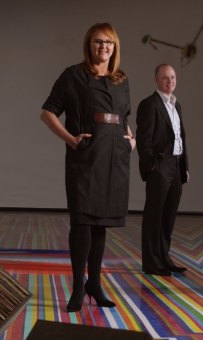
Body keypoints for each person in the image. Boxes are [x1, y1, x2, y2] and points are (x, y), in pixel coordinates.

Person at [40, 23, 136, 312]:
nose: (103, 46)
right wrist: (70, 139)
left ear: (115, 47)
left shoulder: (122, 80)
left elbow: (124, 116)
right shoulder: (74, 75)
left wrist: (131, 140)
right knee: (82, 222)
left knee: (101, 224)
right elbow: (47, 113)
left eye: (109, 42)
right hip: (85, 157)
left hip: (115, 158)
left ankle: (95, 283)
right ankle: (79, 287)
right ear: (89, 44)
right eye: (97, 42)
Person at [136, 64, 189, 276]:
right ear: (156, 80)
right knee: (154, 216)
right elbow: (144, 140)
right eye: (165, 78)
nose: (170, 81)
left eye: (173, 77)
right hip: (160, 165)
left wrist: (184, 166)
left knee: (168, 216)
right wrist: (152, 167)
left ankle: (164, 258)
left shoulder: (176, 105)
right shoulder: (149, 104)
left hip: (176, 165)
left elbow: (181, 138)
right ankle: (151, 262)